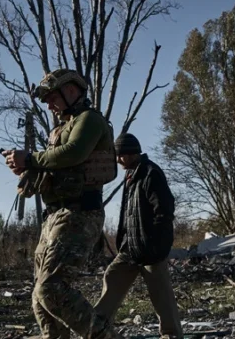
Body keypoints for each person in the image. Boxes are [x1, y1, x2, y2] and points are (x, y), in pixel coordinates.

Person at [2, 68, 121, 339]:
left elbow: (74, 153)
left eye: (52, 97)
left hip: (79, 214)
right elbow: (56, 163)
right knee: (39, 296)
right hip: (55, 216)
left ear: (71, 90)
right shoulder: (60, 129)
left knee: (51, 289)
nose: (49, 105)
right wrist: (26, 169)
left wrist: (30, 159)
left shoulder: (89, 120)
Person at [94, 133, 183, 339]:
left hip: (151, 250)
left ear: (130, 153)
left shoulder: (151, 173)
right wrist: (123, 242)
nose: (117, 160)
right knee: (112, 278)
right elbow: (129, 214)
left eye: (120, 155)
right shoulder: (131, 175)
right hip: (129, 249)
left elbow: (165, 211)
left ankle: (171, 335)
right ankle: (95, 329)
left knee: (162, 299)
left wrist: (158, 245)